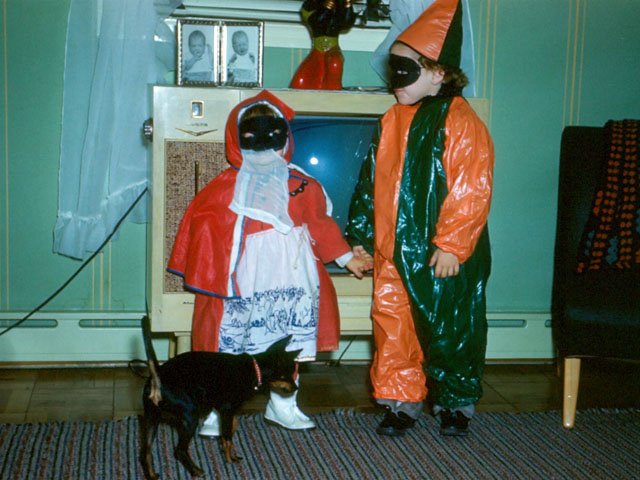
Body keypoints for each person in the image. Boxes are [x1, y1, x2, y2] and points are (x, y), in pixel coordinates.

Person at [168, 90, 371, 436]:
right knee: (226, 347)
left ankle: (283, 405)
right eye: (253, 140)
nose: (265, 150)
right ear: (237, 141)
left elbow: (320, 225)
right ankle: (213, 408)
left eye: (273, 139)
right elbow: (201, 230)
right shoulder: (222, 189)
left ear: (285, 141)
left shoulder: (303, 185)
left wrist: (346, 256)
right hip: (243, 282)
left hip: (290, 281)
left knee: (285, 343)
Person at [346, 0, 494, 437]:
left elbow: (472, 188)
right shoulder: (391, 119)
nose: (394, 82)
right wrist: (361, 235)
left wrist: (452, 244)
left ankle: (455, 403)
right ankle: (400, 400)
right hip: (392, 249)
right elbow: (371, 181)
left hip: (440, 256)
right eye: (393, 70)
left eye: (405, 72)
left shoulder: (462, 122)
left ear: (439, 72)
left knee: (450, 325)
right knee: (393, 325)